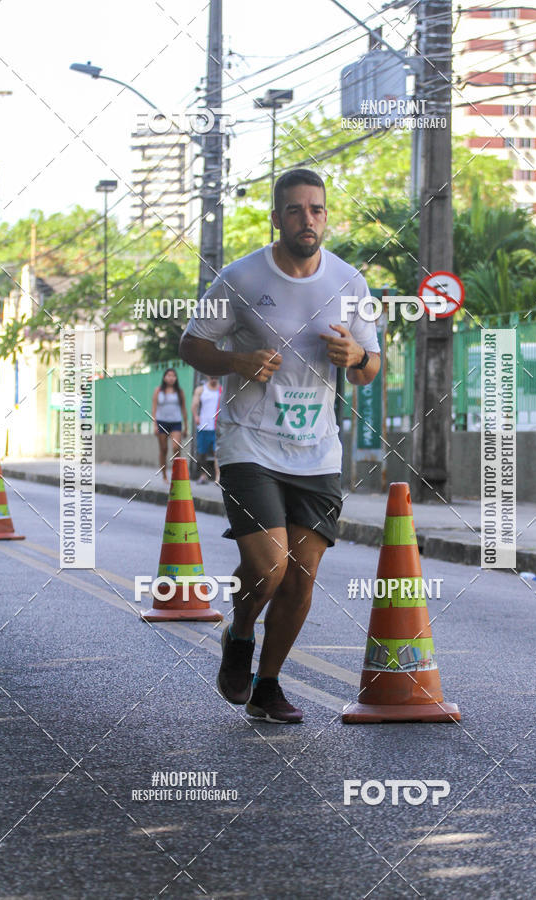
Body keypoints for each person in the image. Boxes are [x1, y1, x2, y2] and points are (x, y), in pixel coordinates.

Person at [179, 168, 380, 723]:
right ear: (277, 218)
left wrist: (356, 359)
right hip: (250, 443)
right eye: (295, 210)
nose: (307, 219)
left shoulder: (350, 284)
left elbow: (372, 367)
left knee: (299, 579)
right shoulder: (241, 279)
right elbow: (192, 344)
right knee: (268, 566)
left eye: (316, 209)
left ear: (325, 216)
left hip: (317, 450)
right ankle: (239, 632)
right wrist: (234, 361)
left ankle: (268, 685)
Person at [151, 367, 188, 483]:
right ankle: (164, 476)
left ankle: (176, 474)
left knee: (176, 447)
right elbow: (154, 408)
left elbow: (183, 409)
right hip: (162, 422)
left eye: (173, 376)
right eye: (168, 375)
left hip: (176, 422)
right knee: (163, 449)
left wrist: (186, 426)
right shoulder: (158, 391)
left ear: (176, 378)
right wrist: (155, 425)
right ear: (164, 377)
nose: (171, 378)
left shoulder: (179, 391)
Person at [191, 375, 222, 483]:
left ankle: (218, 477)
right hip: (204, 426)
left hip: (217, 426)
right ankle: (203, 475)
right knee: (201, 453)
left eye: (216, 376)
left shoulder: (222, 390)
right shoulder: (201, 389)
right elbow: (194, 404)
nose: (213, 378)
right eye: (211, 375)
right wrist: (196, 416)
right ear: (207, 376)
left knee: (217, 453)